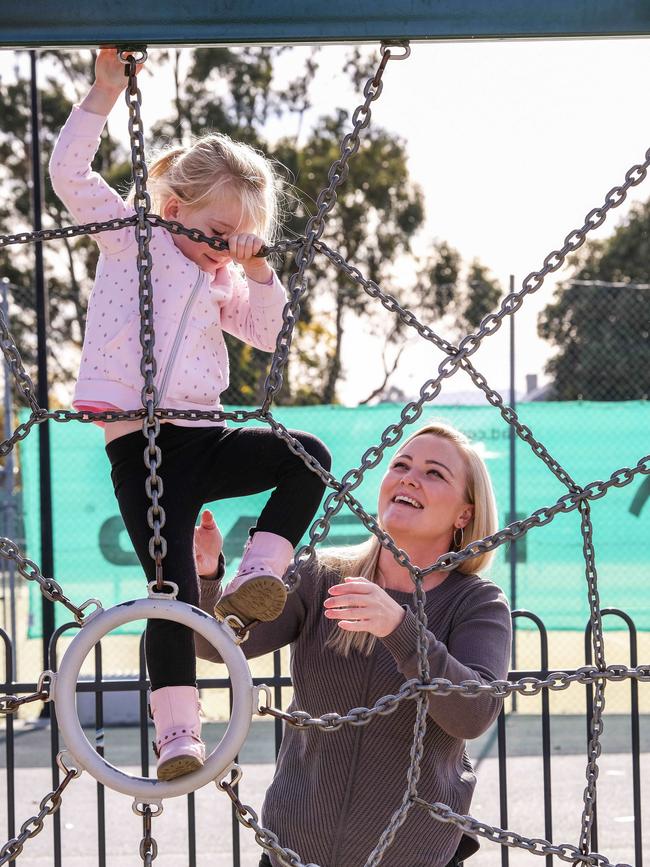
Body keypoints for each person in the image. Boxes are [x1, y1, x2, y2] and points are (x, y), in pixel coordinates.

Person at [49, 47, 331, 782]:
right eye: (216, 233)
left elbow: (268, 330)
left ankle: (256, 573)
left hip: (202, 437)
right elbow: (70, 178)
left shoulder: (224, 279)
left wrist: (258, 265)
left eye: (238, 239)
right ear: (175, 209)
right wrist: (104, 95)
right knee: (170, 591)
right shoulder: (133, 239)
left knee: (307, 453)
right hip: (140, 446)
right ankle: (178, 736)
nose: (222, 252)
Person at [194, 421, 512, 867]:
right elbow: (216, 645)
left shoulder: (476, 602)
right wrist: (207, 581)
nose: (408, 476)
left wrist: (400, 628)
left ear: (465, 513)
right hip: (292, 854)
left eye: (434, 473)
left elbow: (473, 714)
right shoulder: (319, 577)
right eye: (400, 464)